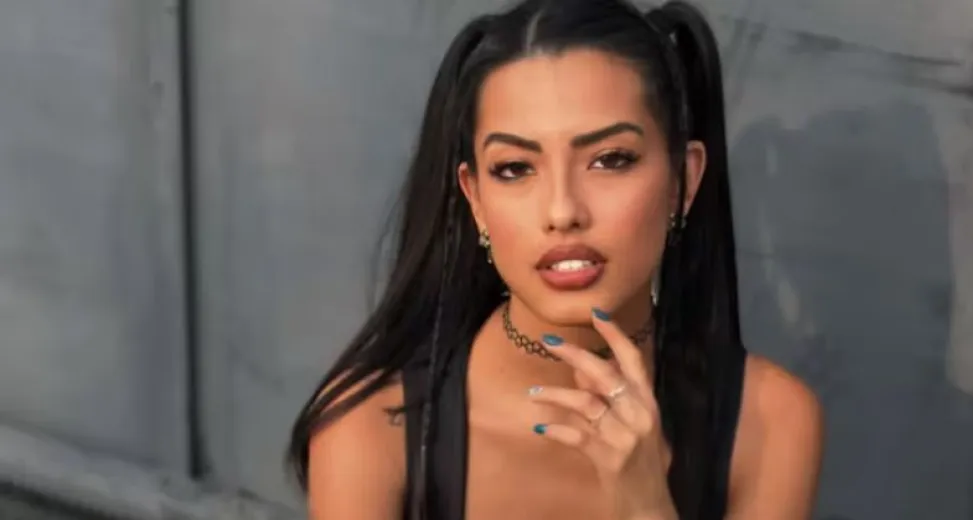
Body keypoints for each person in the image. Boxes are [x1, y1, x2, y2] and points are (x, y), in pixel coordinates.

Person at [288, 0, 823, 518]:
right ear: (475, 200)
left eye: (610, 159)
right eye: (515, 168)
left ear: (682, 181)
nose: (563, 210)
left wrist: (646, 506)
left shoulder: (769, 420)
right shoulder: (371, 424)